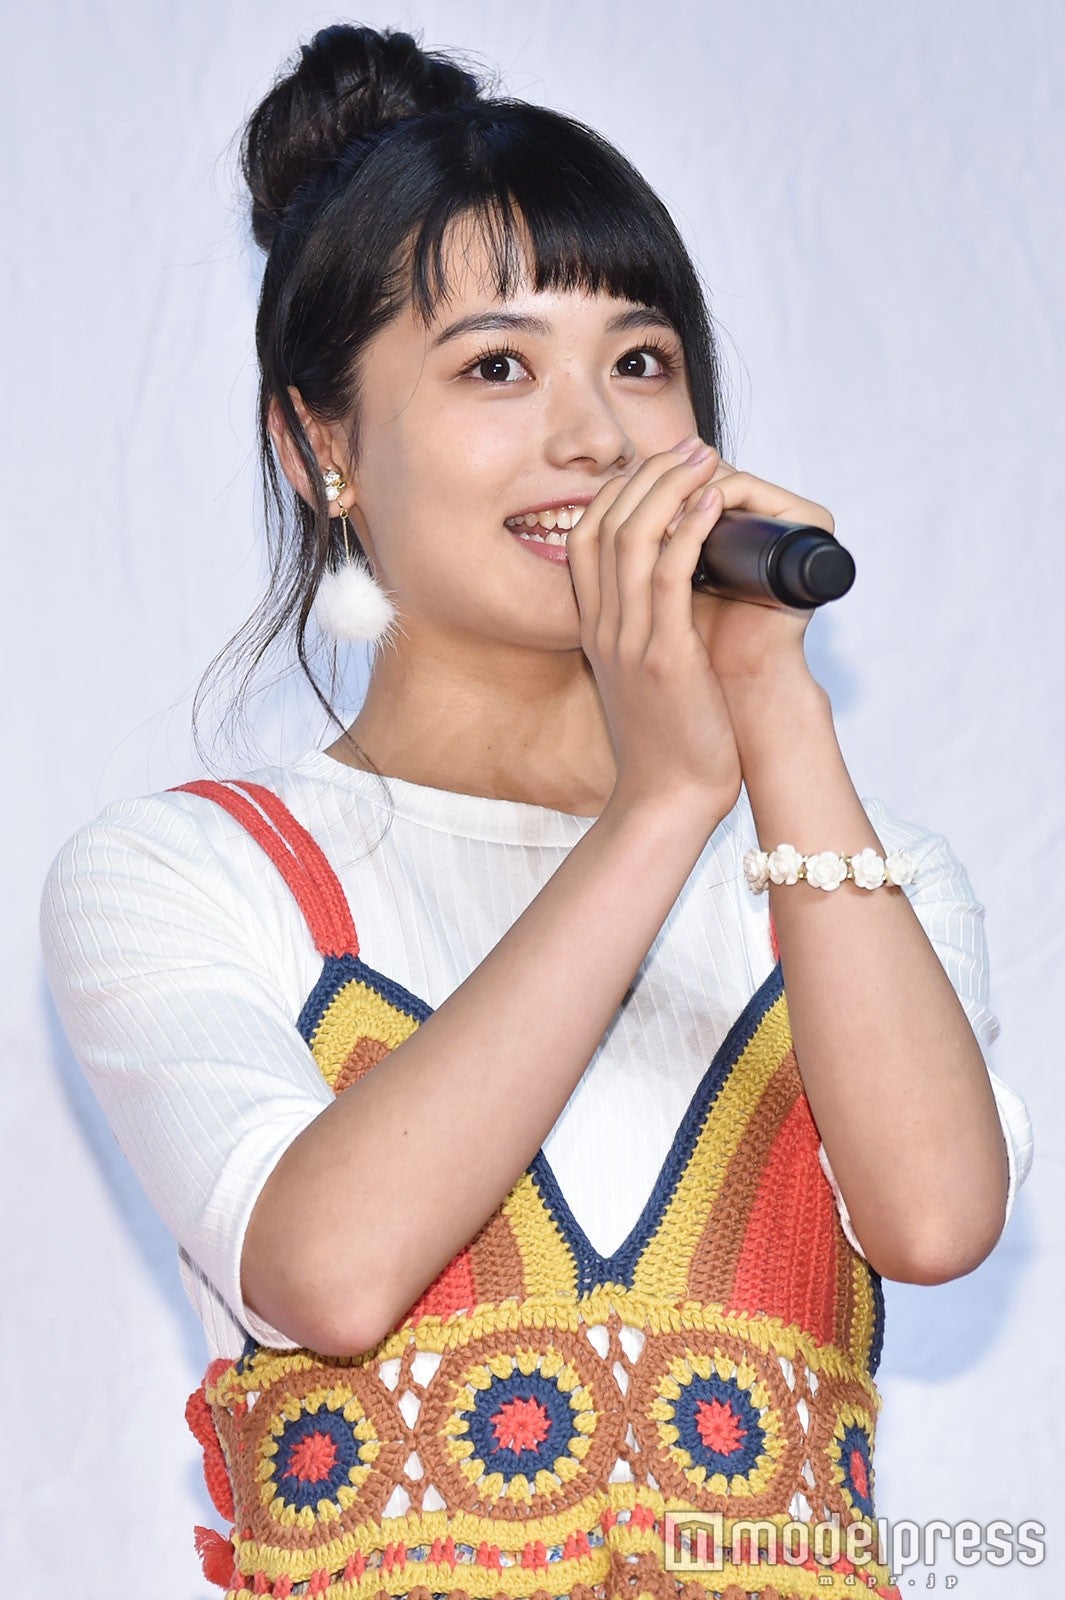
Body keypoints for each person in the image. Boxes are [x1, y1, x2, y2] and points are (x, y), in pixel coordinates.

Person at [40, 23, 1031, 1600]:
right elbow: (328, 1274)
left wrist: (771, 711)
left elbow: (931, 1221)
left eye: (639, 362)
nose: (595, 436)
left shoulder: (852, 866)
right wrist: (660, 805)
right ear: (317, 445)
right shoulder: (191, 872)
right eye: (496, 367)